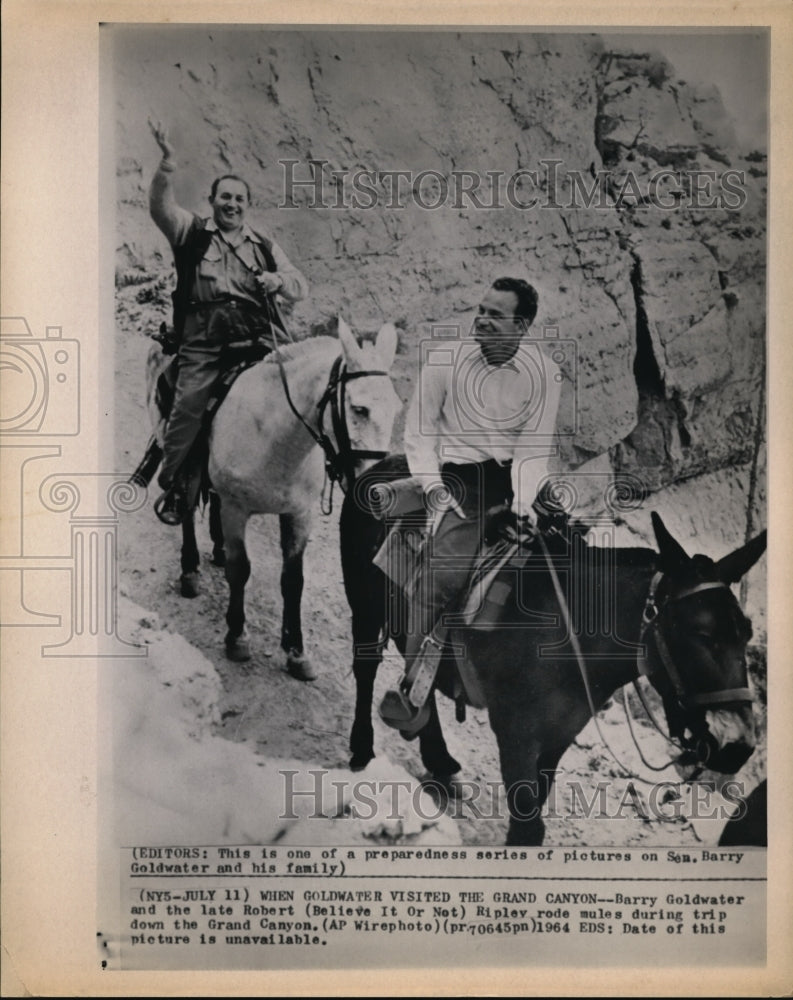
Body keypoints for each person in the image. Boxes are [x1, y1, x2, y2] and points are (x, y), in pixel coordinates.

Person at [379, 277, 563, 733]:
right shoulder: (445, 361)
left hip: (515, 480)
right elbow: (418, 435)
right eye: (480, 310)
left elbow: (533, 450)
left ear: (521, 325)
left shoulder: (545, 374)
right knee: (439, 578)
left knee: (568, 561)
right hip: (457, 479)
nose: (481, 319)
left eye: (494, 315)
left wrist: (523, 507)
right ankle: (413, 690)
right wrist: (432, 489)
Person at [147, 119, 309, 523]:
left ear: (247, 205)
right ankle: (179, 485)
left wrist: (278, 280)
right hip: (203, 343)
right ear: (212, 200)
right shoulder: (192, 233)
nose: (232, 204)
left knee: (301, 396)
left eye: (239, 198)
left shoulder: (265, 246)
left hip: (256, 340)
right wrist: (167, 165)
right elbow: (160, 208)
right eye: (225, 197)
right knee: (188, 407)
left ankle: (306, 476)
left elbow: (300, 286)